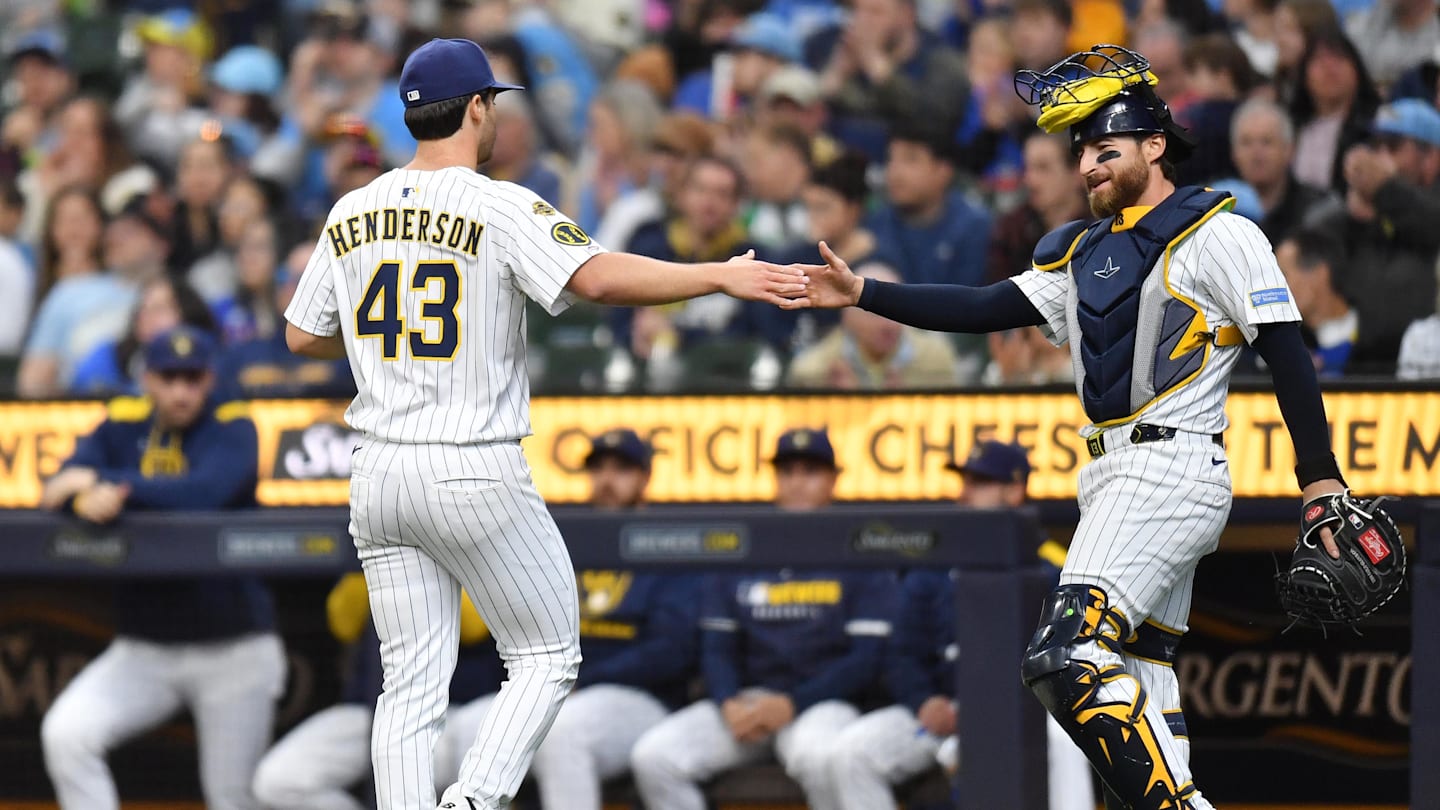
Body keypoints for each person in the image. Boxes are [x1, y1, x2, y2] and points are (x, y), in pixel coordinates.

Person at [789, 44, 1349, 809]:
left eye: (1105, 146)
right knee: (1140, 675)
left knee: (1067, 655)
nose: (1088, 163)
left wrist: (1319, 483)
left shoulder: (1219, 231)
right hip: (1112, 473)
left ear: (1155, 145)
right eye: (1080, 149)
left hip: (1171, 464)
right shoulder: (1080, 253)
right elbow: (987, 308)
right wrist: (864, 294)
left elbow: (1286, 351)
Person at [282, 38, 804, 810]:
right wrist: (719, 273)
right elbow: (596, 277)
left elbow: (300, 334)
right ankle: (471, 801)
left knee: (409, 679)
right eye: (492, 102)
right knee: (547, 653)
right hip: (469, 460)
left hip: (378, 470)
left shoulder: (353, 208)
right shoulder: (500, 202)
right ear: (477, 108)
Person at [38, 326, 284, 810]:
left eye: (192, 378)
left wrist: (106, 481)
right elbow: (55, 487)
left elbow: (203, 495)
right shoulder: (124, 420)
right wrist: (82, 498)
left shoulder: (234, 422)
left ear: (210, 378)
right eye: (169, 377)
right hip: (146, 649)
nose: (181, 391)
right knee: (66, 735)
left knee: (231, 796)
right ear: (148, 379)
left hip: (233, 649)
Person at [630, 428, 897, 810]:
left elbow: (866, 660)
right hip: (748, 702)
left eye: (811, 472)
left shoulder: (857, 547)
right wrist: (727, 702)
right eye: (788, 472)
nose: (798, 482)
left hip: (822, 702)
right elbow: (717, 648)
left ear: (833, 480)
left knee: (819, 756)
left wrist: (794, 702)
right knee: (656, 758)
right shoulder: (747, 545)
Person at [824, 440, 1095, 810]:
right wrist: (923, 700)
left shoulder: (1051, 570)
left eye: (980, 482)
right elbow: (903, 652)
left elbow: (1067, 660)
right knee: (849, 753)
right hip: (942, 714)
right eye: (964, 481)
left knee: (1063, 740)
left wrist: (1000, 706)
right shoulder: (932, 568)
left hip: (1021, 711)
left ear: (1014, 491)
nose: (965, 494)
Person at [445, 428, 699, 809]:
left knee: (563, 731)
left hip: (640, 698)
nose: (608, 480)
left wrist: (584, 680)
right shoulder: (563, 539)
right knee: (466, 727)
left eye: (622, 469)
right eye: (599, 469)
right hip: (562, 688)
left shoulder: (664, 540)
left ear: (645, 477)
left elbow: (671, 651)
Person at [252, 575, 503, 810]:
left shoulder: (468, 545)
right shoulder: (375, 553)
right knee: (277, 780)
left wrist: (422, 567)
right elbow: (342, 622)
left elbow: (473, 625)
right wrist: (380, 566)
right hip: (370, 712)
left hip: (458, 713)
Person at [786, 261, 961, 389]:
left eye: (897, 311)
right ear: (848, 317)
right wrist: (837, 403)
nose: (889, 324)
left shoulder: (936, 360)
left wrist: (906, 406)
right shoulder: (812, 371)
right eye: (877, 315)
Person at [867, 121, 992, 287]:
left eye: (910, 159)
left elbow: (969, 303)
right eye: (890, 159)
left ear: (943, 171)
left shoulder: (974, 227)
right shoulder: (874, 224)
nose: (895, 172)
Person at [1229, 98, 1330, 245]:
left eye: (1266, 142)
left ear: (1289, 150)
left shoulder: (1318, 211)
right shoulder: (1219, 209)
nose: (1256, 154)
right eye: (1246, 143)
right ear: (1233, 153)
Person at [1274, 228, 1359, 375]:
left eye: (1282, 276)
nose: (1273, 288)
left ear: (1319, 274)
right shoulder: (1280, 349)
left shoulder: (1378, 342)